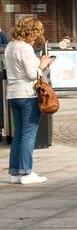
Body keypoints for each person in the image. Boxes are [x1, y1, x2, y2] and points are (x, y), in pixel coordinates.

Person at [4, 17, 52, 185]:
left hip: (13, 94)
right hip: (27, 94)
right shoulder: (25, 48)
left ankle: (15, 172)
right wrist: (43, 64)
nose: (38, 36)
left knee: (18, 134)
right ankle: (26, 172)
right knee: (28, 134)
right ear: (32, 32)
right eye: (37, 33)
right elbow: (32, 74)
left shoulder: (10, 46)